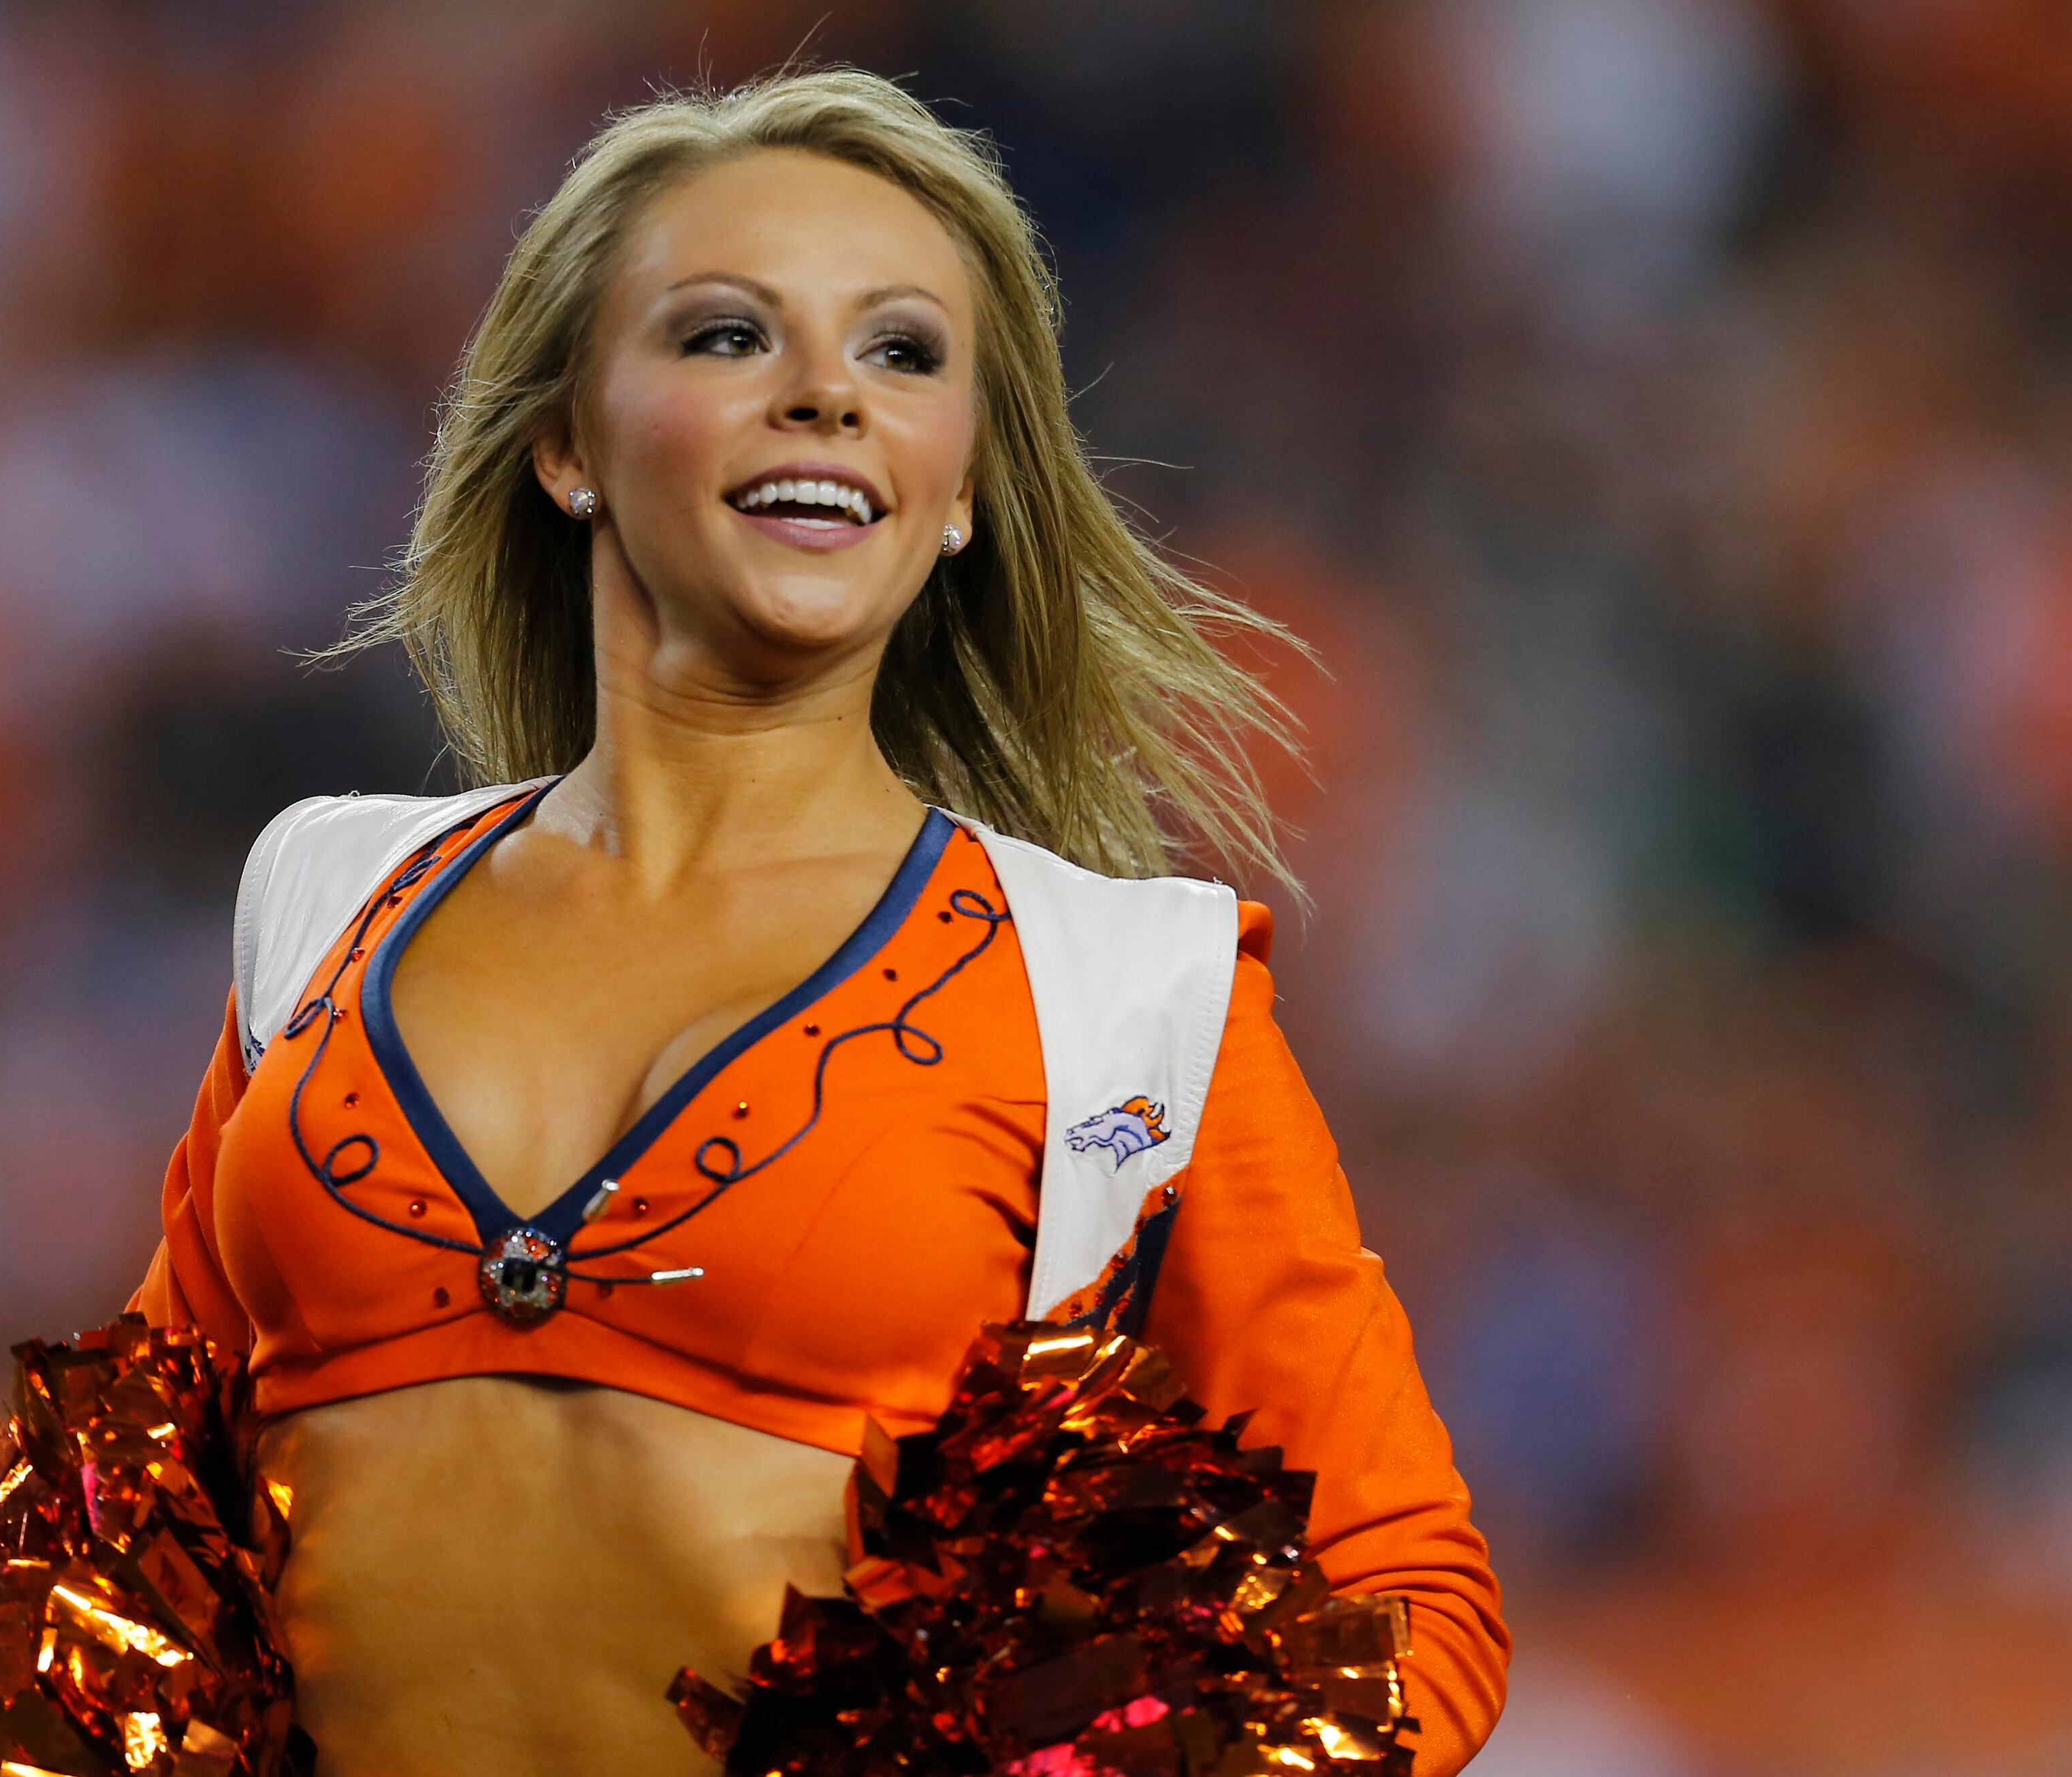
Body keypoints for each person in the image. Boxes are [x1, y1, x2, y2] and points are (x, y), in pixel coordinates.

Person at [130, 68, 1507, 1777]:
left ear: (962, 492)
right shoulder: (330, 903)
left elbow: (1407, 1598)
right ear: (565, 438)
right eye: (725, 335)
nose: (825, 397)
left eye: (903, 353)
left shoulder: (1123, 995)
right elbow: (124, 1537)